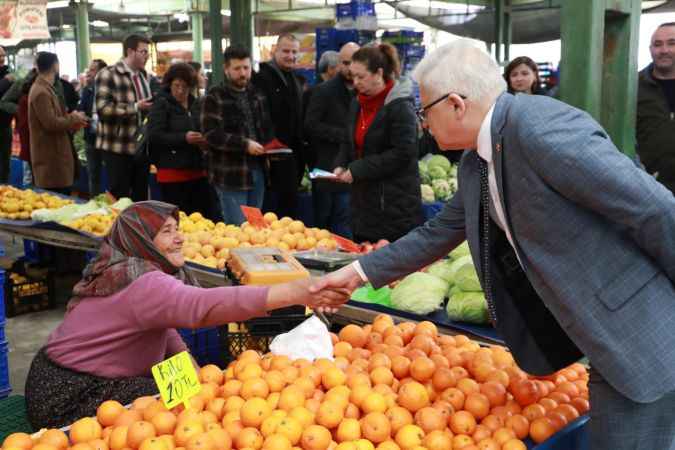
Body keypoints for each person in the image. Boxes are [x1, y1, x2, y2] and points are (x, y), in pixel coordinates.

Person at [313, 39, 675, 450]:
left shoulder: (540, 129)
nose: (423, 124)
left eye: (424, 111)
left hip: (642, 336)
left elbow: (654, 209)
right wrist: (357, 272)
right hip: (604, 341)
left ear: (455, 104)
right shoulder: (476, 161)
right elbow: (437, 233)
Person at [24, 200, 348, 429]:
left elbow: (162, 327)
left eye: (177, 229)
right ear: (140, 240)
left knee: (185, 397)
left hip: (55, 377)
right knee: (164, 409)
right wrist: (296, 291)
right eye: (166, 231)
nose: (179, 237)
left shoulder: (125, 270)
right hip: (69, 392)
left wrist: (196, 376)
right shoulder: (142, 282)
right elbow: (201, 307)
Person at [331, 44, 423, 243]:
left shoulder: (399, 107)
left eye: (361, 77)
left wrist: (357, 169)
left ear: (379, 73)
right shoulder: (358, 103)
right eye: (352, 76)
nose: (355, 82)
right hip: (363, 205)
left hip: (393, 207)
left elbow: (403, 153)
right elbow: (348, 141)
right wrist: (341, 163)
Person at [201, 46, 273, 225]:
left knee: (255, 228)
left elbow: (265, 128)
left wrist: (272, 147)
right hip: (230, 174)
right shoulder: (215, 96)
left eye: (246, 68)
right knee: (237, 228)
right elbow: (210, 134)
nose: (243, 73)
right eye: (237, 69)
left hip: (258, 170)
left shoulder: (257, 95)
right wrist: (244, 144)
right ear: (226, 70)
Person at [304, 43, 360, 238]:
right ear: (338, 63)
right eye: (345, 62)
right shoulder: (324, 91)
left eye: (355, 62)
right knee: (324, 226)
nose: (350, 67)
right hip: (327, 169)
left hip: (353, 171)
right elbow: (310, 125)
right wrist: (345, 135)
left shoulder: (363, 91)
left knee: (346, 226)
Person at [147, 62, 213, 218]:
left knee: (203, 217)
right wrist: (184, 138)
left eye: (185, 86)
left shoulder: (195, 104)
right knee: (178, 218)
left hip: (197, 171)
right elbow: (155, 136)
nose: (181, 90)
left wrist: (204, 140)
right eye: (177, 85)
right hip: (171, 172)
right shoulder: (161, 103)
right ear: (170, 84)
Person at [96, 34, 154, 201]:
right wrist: (135, 107)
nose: (147, 56)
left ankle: (139, 227)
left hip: (141, 149)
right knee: (119, 198)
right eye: (143, 52)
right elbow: (103, 109)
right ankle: (118, 228)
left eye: (147, 52)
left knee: (140, 198)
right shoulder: (108, 74)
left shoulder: (143, 76)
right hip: (117, 148)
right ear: (130, 51)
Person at [253, 34, 305, 220]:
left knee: (289, 209)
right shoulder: (261, 78)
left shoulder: (295, 79)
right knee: (277, 212)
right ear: (275, 50)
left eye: (294, 52)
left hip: (293, 154)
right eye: (285, 51)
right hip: (273, 155)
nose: (290, 56)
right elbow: (259, 116)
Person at [28, 52, 88, 194]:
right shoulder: (41, 91)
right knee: (57, 203)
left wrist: (70, 117)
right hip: (51, 160)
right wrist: (74, 118)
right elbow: (51, 123)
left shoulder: (45, 88)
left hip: (55, 157)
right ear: (55, 66)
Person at [636, 22, 675, 194]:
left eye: (672, 43)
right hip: (651, 188)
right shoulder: (633, 87)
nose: (664, 50)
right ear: (650, 49)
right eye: (657, 44)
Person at [77, 59, 107, 196]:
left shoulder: (109, 90)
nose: (89, 72)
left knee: (114, 175)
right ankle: (94, 202)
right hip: (91, 137)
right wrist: (81, 115)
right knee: (93, 174)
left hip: (108, 139)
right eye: (89, 69)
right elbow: (81, 109)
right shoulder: (87, 90)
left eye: (93, 69)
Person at [0, 45, 15, 183]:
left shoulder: (8, 72)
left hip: (5, 125)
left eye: (3, 56)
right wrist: (6, 81)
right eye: (0, 56)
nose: (2, 59)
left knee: (5, 164)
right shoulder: (7, 77)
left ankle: (4, 192)